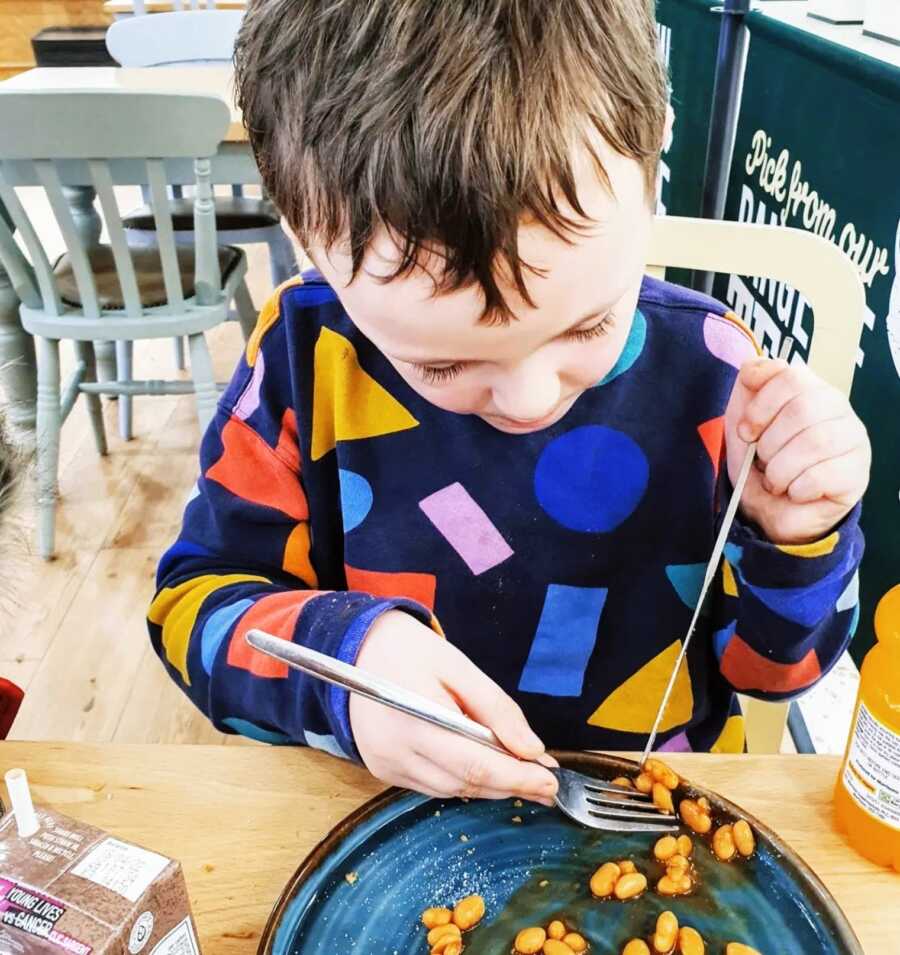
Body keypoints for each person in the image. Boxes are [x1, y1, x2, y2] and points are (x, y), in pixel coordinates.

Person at [148, 0, 870, 805]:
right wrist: (346, 675)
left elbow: (779, 672)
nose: (531, 399)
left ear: (650, 167)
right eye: (445, 362)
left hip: (654, 802)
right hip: (384, 811)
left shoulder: (713, 374)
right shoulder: (302, 358)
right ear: (306, 234)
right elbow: (190, 612)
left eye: (590, 323)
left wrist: (797, 534)